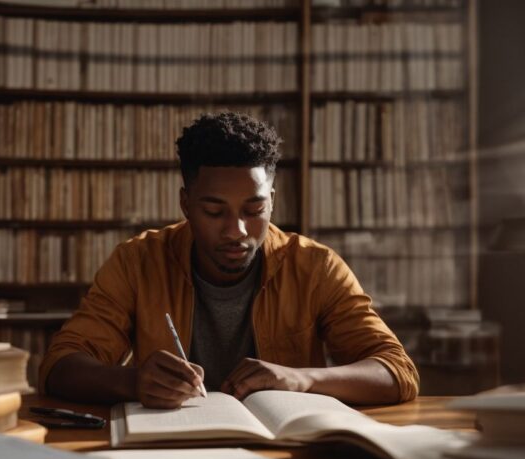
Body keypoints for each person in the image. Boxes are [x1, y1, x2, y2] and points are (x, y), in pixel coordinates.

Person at [40, 112, 419, 409]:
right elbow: (59, 365)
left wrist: (300, 379)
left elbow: (397, 371)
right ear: (186, 203)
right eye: (213, 210)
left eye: (254, 209)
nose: (236, 230)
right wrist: (133, 381)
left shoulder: (314, 267)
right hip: (171, 455)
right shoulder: (138, 261)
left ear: (272, 200)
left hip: (282, 457)